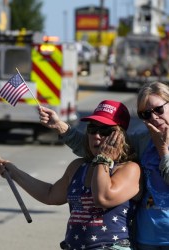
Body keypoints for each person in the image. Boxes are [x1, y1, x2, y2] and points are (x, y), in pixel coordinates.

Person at [0, 100, 142, 250]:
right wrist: (14, 173)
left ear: (120, 136)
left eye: (105, 131)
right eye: (92, 129)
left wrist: (104, 158)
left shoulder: (129, 169)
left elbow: (103, 198)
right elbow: (50, 194)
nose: (97, 136)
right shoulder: (78, 166)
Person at [39, 82, 169, 250]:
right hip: (147, 238)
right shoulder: (142, 140)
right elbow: (99, 145)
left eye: (158, 110)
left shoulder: (157, 145)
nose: (153, 118)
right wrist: (60, 127)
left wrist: (164, 152)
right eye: (145, 114)